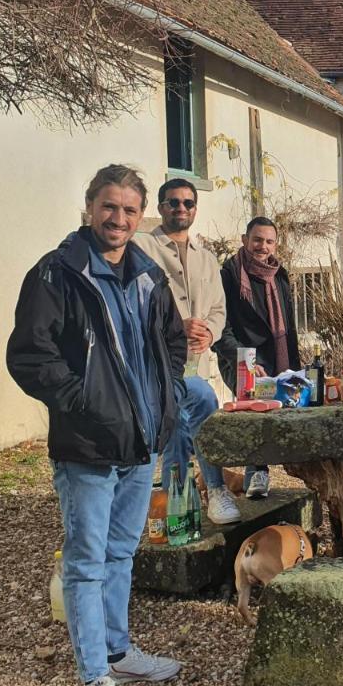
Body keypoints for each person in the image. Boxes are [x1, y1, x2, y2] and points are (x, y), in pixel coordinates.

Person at [6, 165, 184, 686]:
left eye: (130, 210)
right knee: (85, 564)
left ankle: (116, 651)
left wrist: (167, 395)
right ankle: (94, 681)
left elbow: (172, 342)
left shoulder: (148, 276)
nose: (119, 219)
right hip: (85, 446)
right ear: (89, 208)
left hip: (138, 444)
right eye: (110, 207)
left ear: (140, 217)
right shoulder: (58, 274)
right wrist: (83, 400)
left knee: (121, 553)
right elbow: (29, 355)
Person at [133, 179, 239, 524]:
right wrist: (180, 325)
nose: (181, 209)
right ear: (161, 207)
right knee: (179, 423)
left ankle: (203, 495)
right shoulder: (143, 248)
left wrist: (209, 331)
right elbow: (139, 301)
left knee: (193, 421)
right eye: (174, 202)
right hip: (159, 360)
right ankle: (193, 494)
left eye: (188, 203)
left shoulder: (207, 258)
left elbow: (219, 310)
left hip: (198, 358)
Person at [215, 216, 301, 498]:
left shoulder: (280, 274)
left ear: (275, 245)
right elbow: (220, 328)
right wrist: (246, 361)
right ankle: (256, 476)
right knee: (255, 415)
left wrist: (295, 366)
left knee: (285, 411)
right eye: (257, 240)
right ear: (244, 240)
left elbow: (288, 326)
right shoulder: (229, 275)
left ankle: (291, 469)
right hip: (243, 360)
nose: (262, 246)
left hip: (279, 356)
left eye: (269, 241)